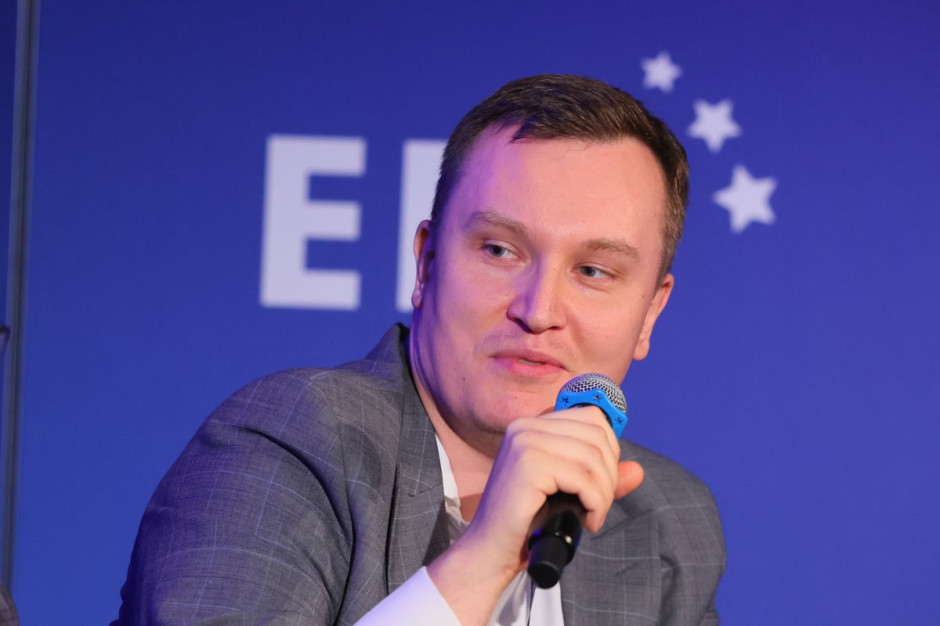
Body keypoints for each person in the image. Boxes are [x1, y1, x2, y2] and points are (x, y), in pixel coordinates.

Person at [114, 74, 725, 625]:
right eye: (499, 250)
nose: (538, 311)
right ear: (428, 264)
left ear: (650, 314)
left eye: (593, 271)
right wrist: (484, 559)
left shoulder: (667, 523)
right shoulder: (291, 443)